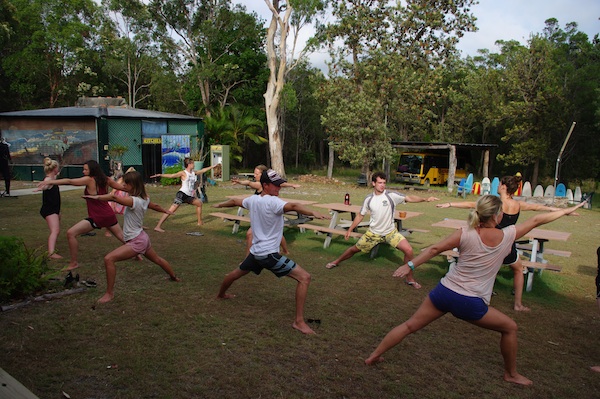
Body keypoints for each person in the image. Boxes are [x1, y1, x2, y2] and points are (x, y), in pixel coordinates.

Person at [365, 195, 587, 385]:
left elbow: (434, 248)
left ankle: (373, 356)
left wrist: (409, 265)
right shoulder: (508, 234)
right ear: (497, 216)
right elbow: (538, 219)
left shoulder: (465, 232)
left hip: (444, 292)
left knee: (409, 325)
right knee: (510, 327)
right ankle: (511, 374)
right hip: (469, 302)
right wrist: (568, 210)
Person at [214, 169, 329, 335]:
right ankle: (299, 322)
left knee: (235, 273)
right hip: (268, 255)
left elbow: (234, 201)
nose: (279, 188)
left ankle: (220, 295)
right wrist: (312, 212)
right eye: (275, 185)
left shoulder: (253, 200)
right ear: (265, 185)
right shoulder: (273, 202)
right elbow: (294, 206)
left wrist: (219, 205)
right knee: (304, 278)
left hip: (256, 252)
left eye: (280, 184)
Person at [436, 174, 575, 311]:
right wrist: (564, 211)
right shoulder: (518, 204)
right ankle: (518, 304)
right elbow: (539, 209)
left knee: (484, 268)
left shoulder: (495, 204)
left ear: (503, 186)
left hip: (490, 242)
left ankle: (476, 294)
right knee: (518, 269)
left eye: (499, 184)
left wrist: (449, 203)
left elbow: (471, 204)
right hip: (507, 243)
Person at [325, 171, 439, 289]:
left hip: (390, 232)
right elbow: (360, 215)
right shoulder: (368, 199)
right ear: (373, 183)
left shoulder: (391, 196)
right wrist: (350, 229)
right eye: (380, 183)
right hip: (373, 233)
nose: (382, 185)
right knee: (354, 249)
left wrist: (425, 199)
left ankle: (409, 278)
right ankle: (336, 261)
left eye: (384, 183)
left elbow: (409, 197)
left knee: (409, 250)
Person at [82, 170, 180, 303]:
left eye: (125, 185)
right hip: (142, 238)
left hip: (137, 241)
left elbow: (115, 198)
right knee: (157, 259)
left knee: (109, 259)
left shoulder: (133, 201)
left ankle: (109, 294)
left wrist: (96, 197)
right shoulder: (144, 199)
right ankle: (173, 277)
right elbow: (153, 206)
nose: (123, 187)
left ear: (132, 185)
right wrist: (164, 210)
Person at [37, 160, 128, 271]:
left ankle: (73, 263)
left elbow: (70, 181)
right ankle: (138, 254)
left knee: (71, 233)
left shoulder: (89, 179)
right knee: (121, 236)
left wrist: (49, 182)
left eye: (85, 169)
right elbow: (121, 188)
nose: (83, 171)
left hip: (98, 216)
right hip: (108, 214)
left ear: (92, 170)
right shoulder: (106, 179)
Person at [231, 164, 300, 255]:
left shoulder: (260, 185)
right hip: (262, 214)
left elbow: (248, 183)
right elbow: (281, 184)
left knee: (250, 234)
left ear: (263, 174)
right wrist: (291, 185)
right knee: (277, 233)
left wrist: (239, 182)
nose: (254, 175)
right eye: (254, 173)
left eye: (257, 174)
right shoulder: (264, 184)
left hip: (268, 213)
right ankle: (285, 250)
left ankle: (248, 259)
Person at [150, 158, 221, 232]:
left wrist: (212, 166)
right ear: (189, 164)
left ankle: (199, 222)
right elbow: (172, 176)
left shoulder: (193, 172)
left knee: (199, 203)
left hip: (188, 196)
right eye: (193, 163)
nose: (194, 164)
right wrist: (160, 175)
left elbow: (203, 170)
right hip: (182, 194)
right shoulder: (183, 173)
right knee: (170, 211)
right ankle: (158, 226)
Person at [38, 157, 63, 259]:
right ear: (55, 168)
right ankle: (51, 252)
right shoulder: (48, 180)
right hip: (49, 210)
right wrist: (41, 187)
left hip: (54, 209)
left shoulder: (53, 179)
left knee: (56, 230)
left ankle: (52, 249)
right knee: (55, 230)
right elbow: (45, 186)